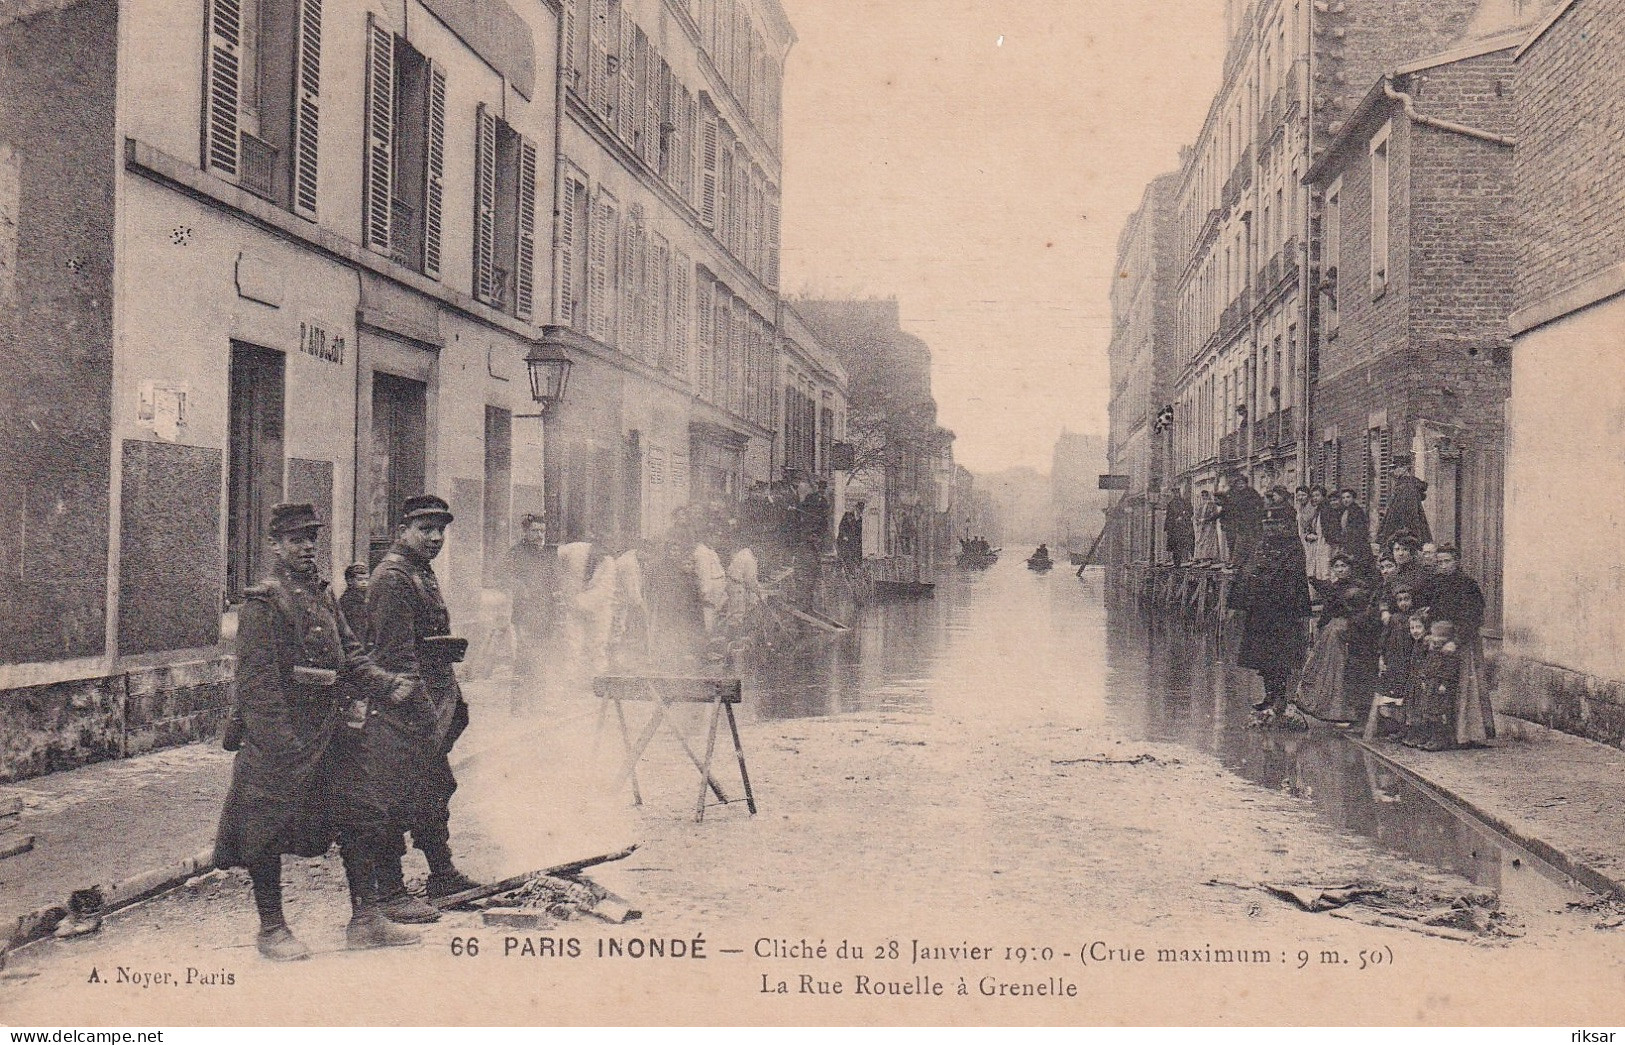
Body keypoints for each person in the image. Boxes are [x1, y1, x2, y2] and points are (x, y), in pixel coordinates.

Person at [214, 503, 419, 960]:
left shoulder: (322, 596)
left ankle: (365, 921)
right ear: (275, 546)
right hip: (279, 738)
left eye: (311, 538)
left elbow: (351, 656)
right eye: (295, 540)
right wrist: (279, 746)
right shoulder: (264, 603)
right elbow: (257, 685)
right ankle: (272, 930)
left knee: (359, 814)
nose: (306, 547)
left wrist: (388, 685)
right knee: (264, 831)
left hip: (328, 731)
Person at [368, 494, 480, 913]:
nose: (435, 538)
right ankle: (389, 891)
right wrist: (422, 716)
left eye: (441, 530)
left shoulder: (419, 572)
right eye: (425, 529)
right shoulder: (393, 577)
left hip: (429, 703)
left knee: (433, 788)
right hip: (403, 709)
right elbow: (395, 658)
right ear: (403, 530)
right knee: (393, 796)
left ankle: (443, 875)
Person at [1234, 502, 1313, 725]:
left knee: (1281, 659)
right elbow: (1250, 570)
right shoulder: (1261, 545)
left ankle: (1280, 697)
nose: (1270, 528)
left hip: (1283, 613)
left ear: (1286, 525)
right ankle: (1269, 695)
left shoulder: (1293, 547)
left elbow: (1294, 579)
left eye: (1275, 524)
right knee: (1263, 658)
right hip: (1260, 612)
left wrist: (1266, 581)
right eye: (1267, 524)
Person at [1416, 544, 1493, 747]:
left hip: (1461, 641)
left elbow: (1473, 617)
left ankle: (1465, 734)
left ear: (1456, 562)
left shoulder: (1468, 585)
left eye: (1447, 561)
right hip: (1438, 639)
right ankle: (1438, 733)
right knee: (1435, 686)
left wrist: (1456, 641)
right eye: (1440, 562)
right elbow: (1426, 610)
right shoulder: (1434, 583)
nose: (1443, 565)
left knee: (1464, 687)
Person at [1298, 553, 1380, 725]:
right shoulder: (1333, 587)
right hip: (1331, 634)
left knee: (1342, 670)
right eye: (1337, 567)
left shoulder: (1358, 587)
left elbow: (1359, 611)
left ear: (1350, 568)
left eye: (1344, 566)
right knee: (1325, 669)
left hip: (1349, 632)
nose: (1341, 570)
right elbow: (1328, 611)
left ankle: (1344, 712)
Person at [506, 514, 562, 690]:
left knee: (543, 655)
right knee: (525, 656)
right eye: (535, 531)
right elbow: (501, 575)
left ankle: (538, 699)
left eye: (542, 531)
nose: (539, 535)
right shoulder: (515, 553)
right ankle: (519, 704)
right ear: (525, 532)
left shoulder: (547, 555)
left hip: (546, 613)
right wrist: (518, 585)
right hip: (525, 614)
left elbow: (555, 582)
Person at [1371, 586, 1421, 739]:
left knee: (1407, 695)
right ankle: (1394, 727)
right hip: (1394, 662)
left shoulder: (1415, 619)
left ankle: (1407, 728)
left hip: (1408, 662)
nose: (1403, 603)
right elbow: (1384, 639)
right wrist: (1382, 657)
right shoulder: (1393, 619)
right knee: (1392, 695)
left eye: (1407, 599)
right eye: (1400, 600)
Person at [1406, 620, 1462, 751]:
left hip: (1440, 688)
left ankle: (1440, 740)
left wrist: (1444, 683)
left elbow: (1450, 670)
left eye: (1438, 637)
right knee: (1428, 712)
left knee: (1440, 714)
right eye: (1433, 636)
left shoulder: (1448, 654)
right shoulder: (1431, 651)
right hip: (1430, 686)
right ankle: (1431, 738)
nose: (1435, 639)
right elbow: (1426, 666)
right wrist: (1424, 678)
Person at [1377, 454, 1433, 549]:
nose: (1392, 471)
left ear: (1405, 468)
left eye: (1396, 467)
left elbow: (1408, 516)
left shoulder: (1407, 488)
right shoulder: (1403, 486)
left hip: (1403, 536)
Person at [1218, 472, 1265, 568]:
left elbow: (1259, 505)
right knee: (1233, 543)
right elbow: (1226, 508)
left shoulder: (1252, 493)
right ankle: (1234, 561)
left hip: (1250, 522)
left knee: (1249, 542)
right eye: (1238, 483)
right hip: (1235, 523)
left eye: (1242, 483)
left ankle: (1248, 563)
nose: (1240, 485)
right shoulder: (1233, 495)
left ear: (1246, 483)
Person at [1331, 488, 1376, 578]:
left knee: (1360, 570)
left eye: (1348, 497)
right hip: (1349, 544)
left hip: (1358, 546)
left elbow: (1359, 531)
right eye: (1343, 498)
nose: (1345, 500)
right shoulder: (1345, 511)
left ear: (1353, 498)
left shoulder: (1357, 511)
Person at [1296, 486, 1331, 581]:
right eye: (1298, 495)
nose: (1301, 497)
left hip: (1319, 543)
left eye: (1303, 495)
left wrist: (1310, 535)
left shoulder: (1317, 509)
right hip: (1307, 541)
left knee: (1322, 568)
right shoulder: (1301, 508)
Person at [338, 563, 371, 637]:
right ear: (349, 581)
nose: (364, 582)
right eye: (359, 579)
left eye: (366, 579)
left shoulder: (366, 599)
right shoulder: (346, 601)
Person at [1165, 486, 1195, 566]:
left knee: (1186, 543)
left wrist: (1182, 517)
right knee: (1175, 545)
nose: (1176, 494)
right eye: (1174, 493)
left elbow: (1191, 512)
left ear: (1179, 493)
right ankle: (1176, 562)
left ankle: (1189, 558)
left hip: (1183, 527)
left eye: (1177, 493)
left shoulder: (1185, 503)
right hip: (1174, 528)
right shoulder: (1170, 504)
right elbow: (1168, 516)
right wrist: (1169, 526)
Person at [1193, 490, 1221, 563]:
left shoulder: (1212, 505)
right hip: (1201, 525)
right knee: (1199, 540)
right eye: (1202, 496)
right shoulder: (1200, 505)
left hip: (1209, 524)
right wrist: (1197, 519)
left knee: (1208, 540)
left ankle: (1208, 557)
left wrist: (1206, 519)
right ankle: (1199, 556)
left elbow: (1214, 515)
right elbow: (1197, 514)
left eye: (1205, 495)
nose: (1204, 497)